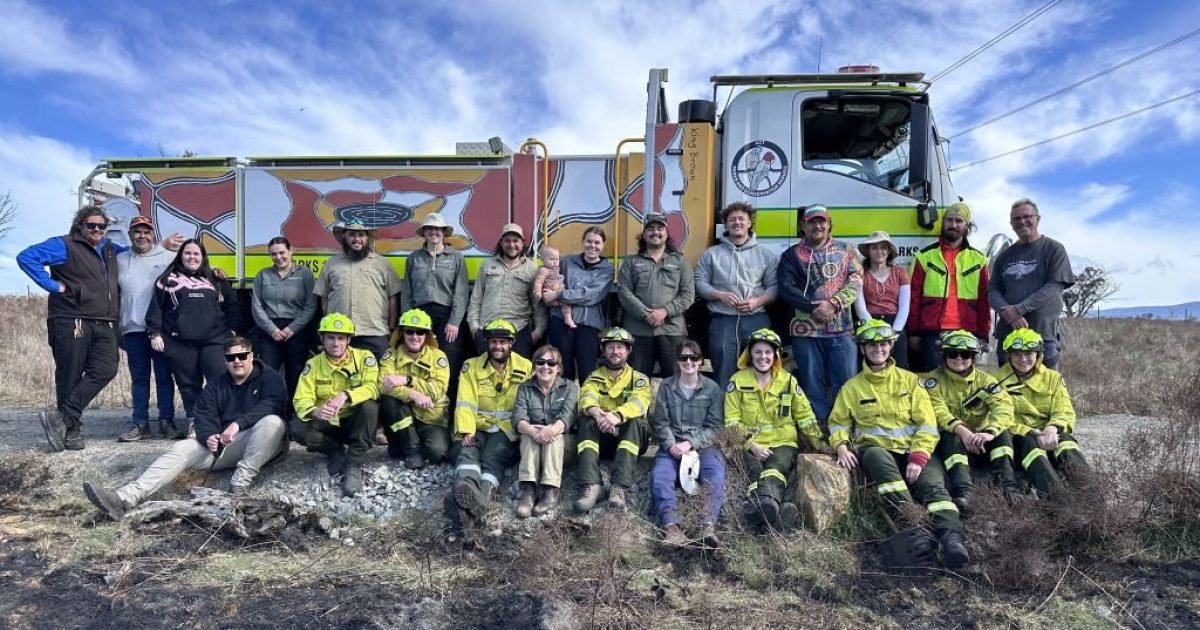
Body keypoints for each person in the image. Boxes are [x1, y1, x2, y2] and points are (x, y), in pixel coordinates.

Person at [81, 336, 290, 519]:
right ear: (225, 361)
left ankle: (239, 486)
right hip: (227, 447)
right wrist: (209, 436)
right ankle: (124, 499)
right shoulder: (217, 385)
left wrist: (237, 424)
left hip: (264, 443)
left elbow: (273, 404)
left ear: (251, 356)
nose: (237, 361)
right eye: (230, 358)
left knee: (273, 422)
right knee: (182, 447)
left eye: (242, 356)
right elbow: (203, 415)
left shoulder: (269, 378)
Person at [829, 319, 969, 569]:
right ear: (862, 349)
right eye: (872, 345)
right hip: (879, 451)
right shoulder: (852, 388)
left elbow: (927, 423)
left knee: (935, 490)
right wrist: (841, 445)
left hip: (915, 451)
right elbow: (838, 422)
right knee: (874, 457)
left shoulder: (910, 381)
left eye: (883, 344)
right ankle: (914, 528)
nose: (878, 349)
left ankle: (951, 539)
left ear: (891, 346)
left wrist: (918, 456)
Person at [18, 206, 126, 451]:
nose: (97, 229)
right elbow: (26, 257)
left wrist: (165, 246)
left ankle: (62, 418)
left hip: (103, 321)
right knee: (70, 374)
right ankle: (71, 430)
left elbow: (135, 253)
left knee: (107, 368)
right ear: (80, 225)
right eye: (91, 225)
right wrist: (53, 286)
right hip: (70, 319)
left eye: (101, 226)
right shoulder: (63, 245)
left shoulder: (110, 249)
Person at [724, 328, 824, 533]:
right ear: (749, 354)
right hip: (749, 444)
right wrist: (752, 445)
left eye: (768, 352)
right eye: (758, 352)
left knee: (775, 469)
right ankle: (776, 514)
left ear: (776, 355)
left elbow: (805, 416)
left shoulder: (788, 381)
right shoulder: (737, 381)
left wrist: (820, 444)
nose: (763, 357)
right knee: (754, 471)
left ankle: (759, 511)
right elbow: (731, 422)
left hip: (783, 442)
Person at [146, 239, 240, 440]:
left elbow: (232, 304)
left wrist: (232, 329)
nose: (192, 257)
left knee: (219, 379)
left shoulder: (215, 278)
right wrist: (154, 333)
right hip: (179, 341)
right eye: (188, 253)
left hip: (214, 339)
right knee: (189, 385)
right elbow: (156, 308)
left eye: (196, 254)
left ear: (203, 257)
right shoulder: (166, 280)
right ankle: (196, 422)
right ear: (180, 255)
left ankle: (220, 420)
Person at [777, 204, 863, 423]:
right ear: (803, 226)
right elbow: (786, 288)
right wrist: (814, 308)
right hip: (805, 332)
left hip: (841, 331)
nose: (817, 225)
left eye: (822, 221)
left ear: (829, 224)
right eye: (812, 222)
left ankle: (843, 430)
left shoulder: (847, 251)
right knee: (811, 384)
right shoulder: (790, 255)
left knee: (845, 382)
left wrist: (834, 303)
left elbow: (856, 280)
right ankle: (821, 433)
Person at [449, 319, 532, 530]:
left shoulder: (526, 367)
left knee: (492, 458)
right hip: (477, 425)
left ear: (511, 343)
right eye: (494, 341)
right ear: (487, 342)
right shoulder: (471, 366)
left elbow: (528, 403)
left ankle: (477, 499)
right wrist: (466, 430)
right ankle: (466, 488)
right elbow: (465, 400)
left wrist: (524, 428)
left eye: (503, 342)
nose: (498, 346)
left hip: (506, 428)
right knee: (467, 451)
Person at [924, 330, 1018, 511]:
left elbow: (1004, 408)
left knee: (1003, 434)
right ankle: (964, 492)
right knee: (951, 437)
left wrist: (990, 432)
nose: (959, 359)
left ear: (974, 357)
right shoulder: (933, 381)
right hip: (953, 443)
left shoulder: (987, 381)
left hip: (983, 441)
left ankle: (1009, 488)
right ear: (944, 356)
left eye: (966, 354)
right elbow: (939, 412)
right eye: (953, 354)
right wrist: (964, 432)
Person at [292, 313, 381, 496]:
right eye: (330, 337)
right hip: (328, 424)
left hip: (354, 422)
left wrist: (346, 395)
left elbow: (374, 387)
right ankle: (334, 451)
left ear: (349, 340)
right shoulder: (313, 364)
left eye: (341, 338)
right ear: (322, 339)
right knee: (296, 428)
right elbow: (301, 399)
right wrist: (315, 412)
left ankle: (353, 464)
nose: (335, 343)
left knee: (370, 406)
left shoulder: (365, 358)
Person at [649, 340, 725, 547]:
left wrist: (690, 443)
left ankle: (707, 527)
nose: (688, 362)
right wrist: (671, 444)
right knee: (660, 476)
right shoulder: (666, 386)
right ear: (677, 361)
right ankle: (672, 528)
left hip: (704, 446)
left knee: (715, 474)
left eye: (694, 357)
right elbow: (661, 422)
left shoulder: (712, 388)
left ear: (701, 361)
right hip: (672, 445)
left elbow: (715, 426)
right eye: (683, 357)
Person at [995, 328, 1088, 495]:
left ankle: (1093, 497)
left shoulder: (1053, 378)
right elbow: (999, 417)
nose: (1023, 360)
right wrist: (1031, 432)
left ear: (1038, 354)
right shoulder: (996, 382)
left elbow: (1064, 409)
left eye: (1029, 353)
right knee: (1032, 447)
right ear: (1009, 356)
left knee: (1066, 443)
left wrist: (1052, 428)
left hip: (1051, 433)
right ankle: (1060, 502)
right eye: (1016, 354)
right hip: (1021, 437)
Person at [695, 202, 778, 386]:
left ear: (750, 223)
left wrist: (757, 301)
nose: (737, 222)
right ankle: (725, 412)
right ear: (725, 225)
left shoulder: (766, 255)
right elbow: (699, 284)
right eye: (732, 219)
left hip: (756, 318)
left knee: (760, 369)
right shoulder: (711, 254)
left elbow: (774, 287)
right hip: (722, 320)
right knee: (724, 370)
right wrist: (719, 295)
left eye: (741, 219)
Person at [989, 198, 1075, 369]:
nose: (1022, 221)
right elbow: (993, 291)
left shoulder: (1054, 249)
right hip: (1009, 335)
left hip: (1043, 334)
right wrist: (1009, 314)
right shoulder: (1005, 256)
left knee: (1046, 389)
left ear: (1038, 218)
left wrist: (1019, 309)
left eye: (1027, 216)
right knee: (1008, 390)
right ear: (1011, 223)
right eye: (1016, 219)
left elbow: (1054, 287)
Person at [574, 327, 652, 514]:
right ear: (603, 350)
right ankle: (592, 485)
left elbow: (639, 402)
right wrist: (599, 414)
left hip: (629, 439)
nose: (615, 351)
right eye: (610, 347)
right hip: (602, 439)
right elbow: (587, 398)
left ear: (628, 351)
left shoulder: (639, 379)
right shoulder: (594, 377)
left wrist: (616, 416)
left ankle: (619, 487)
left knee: (635, 421)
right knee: (586, 420)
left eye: (620, 347)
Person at [115, 216, 178, 441]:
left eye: (146, 232)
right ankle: (140, 424)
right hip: (132, 328)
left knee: (163, 376)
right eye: (137, 232)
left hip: (160, 330)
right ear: (130, 234)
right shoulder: (120, 259)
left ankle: (166, 422)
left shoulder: (169, 257)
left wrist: (217, 272)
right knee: (139, 378)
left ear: (153, 235)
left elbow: (195, 266)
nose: (142, 236)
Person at [907, 203, 990, 372]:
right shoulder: (924, 256)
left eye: (959, 221)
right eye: (949, 220)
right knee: (933, 379)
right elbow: (913, 296)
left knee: (963, 379)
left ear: (967, 226)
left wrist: (983, 334)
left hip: (967, 330)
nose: (953, 225)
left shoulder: (980, 259)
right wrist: (913, 331)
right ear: (943, 223)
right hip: (931, 331)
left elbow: (984, 300)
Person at [401, 213, 469, 402]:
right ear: (424, 232)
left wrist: (455, 322)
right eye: (430, 229)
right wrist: (407, 322)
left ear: (443, 233)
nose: (434, 232)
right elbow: (406, 293)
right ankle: (422, 406)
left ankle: (448, 411)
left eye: (438, 229)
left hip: (447, 317)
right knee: (420, 362)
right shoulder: (413, 258)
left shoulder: (456, 258)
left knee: (449, 363)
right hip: (419, 317)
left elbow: (461, 293)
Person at [617, 212, 695, 378]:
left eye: (660, 228)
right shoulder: (631, 262)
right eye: (650, 229)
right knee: (635, 381)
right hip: (638, 331)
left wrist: (664, 311)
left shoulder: (680, 262)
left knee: (676, 381)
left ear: (667, 234)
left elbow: (688, 295)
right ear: (644, 235)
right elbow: (624, 292)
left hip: (672, 331)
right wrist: (647, 314)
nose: (655, 232)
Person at [314, 220, 402, 359]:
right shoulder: (331, 264)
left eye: (361, 235)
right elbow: (324, 298)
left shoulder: (382, 264)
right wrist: (328, 325)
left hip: (375, 332)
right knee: (342, 378)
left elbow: (393, 297)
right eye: (352, 235)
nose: (357, 239)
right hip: (340, 333)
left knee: (381, 377)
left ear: (367, 238)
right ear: (345, 237)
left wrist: (391, 327)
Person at [379, 308, 452, 469]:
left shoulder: (438, 357)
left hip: (431, 417)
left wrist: (407, 379)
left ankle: (419, 444)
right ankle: (412, 451)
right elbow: (383, 385)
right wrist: (413, 394)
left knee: (437, 453)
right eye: (409, 332)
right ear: (402, 333)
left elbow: (437, 390)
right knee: (390, 402)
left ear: (427, 335)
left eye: (420, 332)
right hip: (403, 416)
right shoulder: (390, 355)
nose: (415, 336)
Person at [512, 345, 579, 518]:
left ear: (559, 368)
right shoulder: (524, 388)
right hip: (534, 444)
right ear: (534, 366)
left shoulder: (571, 387)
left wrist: (550, 431)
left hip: (563, 446)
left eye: (551, 363)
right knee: (527, 436)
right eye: (540, 362)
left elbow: (567, 418)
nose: (545, 367)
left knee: (555, 437)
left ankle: (551, 491)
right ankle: (528, 491)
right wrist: (535, 433)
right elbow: (518, 419)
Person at [251, 236, 317, 402]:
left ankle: (294, 413)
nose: (278, 257)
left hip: (297, 330)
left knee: (296, 374)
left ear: (291, 251)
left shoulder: (305, 274)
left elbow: (311, 305)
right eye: (273, 254)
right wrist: (271, 329)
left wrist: (292, 328)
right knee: (268, 374)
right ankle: (270, 410)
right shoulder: (262, 275)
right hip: (269, 331)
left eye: (282, 252)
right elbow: (257, 306)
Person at [542, 227, 613, 381]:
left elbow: (591, 295)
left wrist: (559, 295)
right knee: (562, 370)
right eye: (589, 241)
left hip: (589, 325)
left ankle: (587, 405)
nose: (592, 246)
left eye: (597, 242)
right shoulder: (567, 262)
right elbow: (552, 281)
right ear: (583, 242)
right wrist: (549, 291)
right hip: (560, 321)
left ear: (603, 245)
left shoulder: (607, 269)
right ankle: (563, 404)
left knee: (587, 371)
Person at [467, 223, 546, 360]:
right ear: (501, 243)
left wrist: (537, 333)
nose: (511, 245)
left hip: (519, 332)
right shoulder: (487, 265)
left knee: (519, 378)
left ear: (522, 243)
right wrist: (474, 329)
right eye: (507, 240)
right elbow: (476, 299)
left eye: (516, 241)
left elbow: (538, 304)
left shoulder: (531, 269)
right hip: (487, 331)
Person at [853, 230, 911, 369]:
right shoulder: (860, 273)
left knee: (899, 368)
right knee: (869, 368)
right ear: (868, 251)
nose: (879, 251)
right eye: (874, 248)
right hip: (868, 323)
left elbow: (904, 307)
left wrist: (894, 333)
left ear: (889, 251)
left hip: (895, 324)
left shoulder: (900, 272)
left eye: (883, 247)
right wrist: (874, 328)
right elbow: (860, 308)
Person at [532, 244, 573, 328]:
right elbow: (538, 283)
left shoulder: (556, 268)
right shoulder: (544, 270)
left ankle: (568, 317)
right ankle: (567, 317)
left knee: (567, 302)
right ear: (543, 260)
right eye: (551, 259)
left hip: (558, 291)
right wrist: (537, 292)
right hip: (549, 292)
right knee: (564, 302)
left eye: (557, 259)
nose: (555, 261)